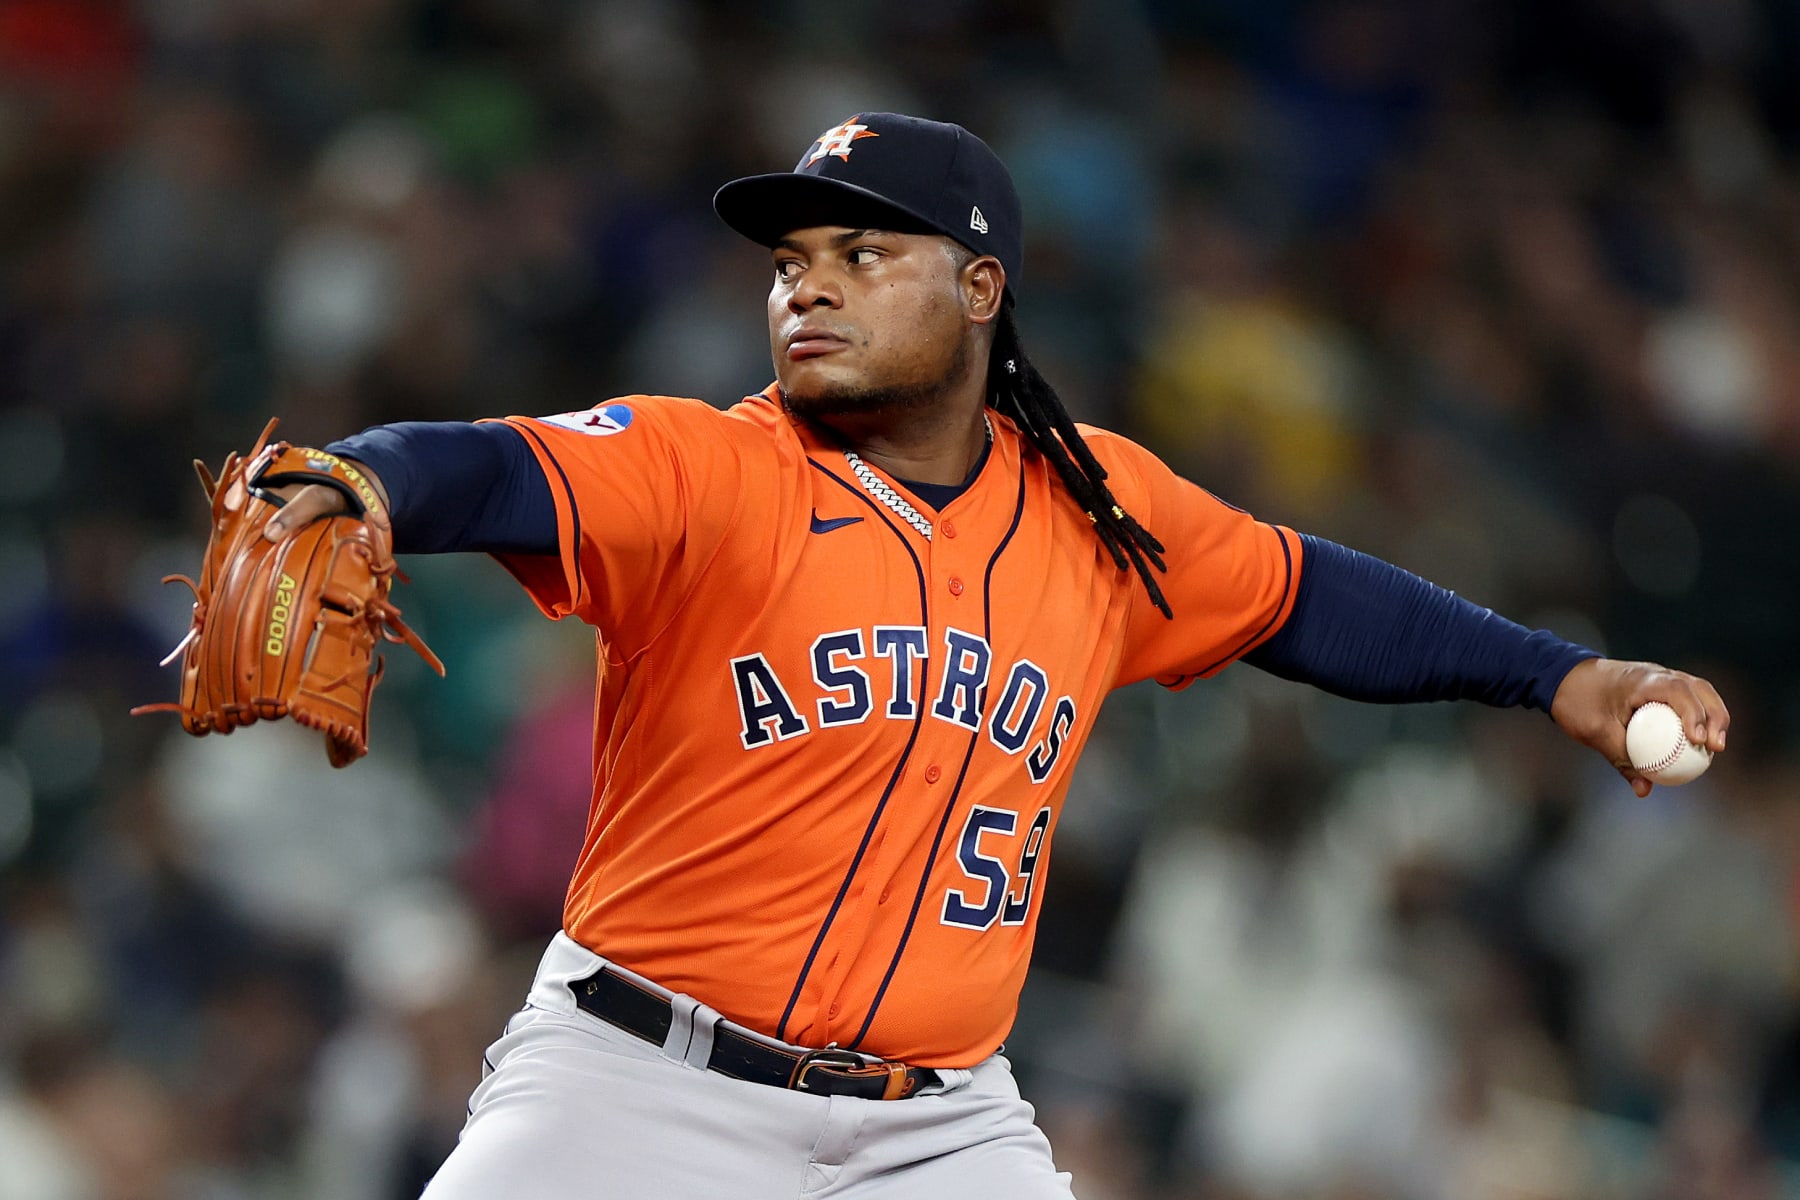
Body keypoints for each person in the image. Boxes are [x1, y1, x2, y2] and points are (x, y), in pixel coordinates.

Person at [256, 113, 1728, 1197]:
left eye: (861, 252)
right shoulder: (713, 471)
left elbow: (1311, 599)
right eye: (790, 261)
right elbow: (493, 468)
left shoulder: (1097, 511)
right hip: (640, 1089)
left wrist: (1560, 678)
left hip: (934, 1132)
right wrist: (361, 477)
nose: (804, 288)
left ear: (978, 290)